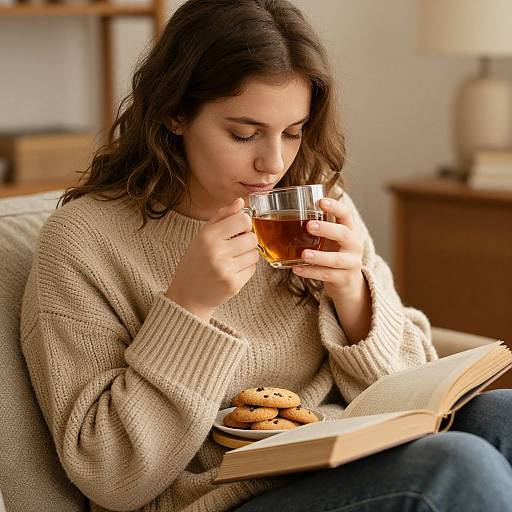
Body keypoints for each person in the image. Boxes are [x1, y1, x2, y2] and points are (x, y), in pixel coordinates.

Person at [20, 1, 512, 511]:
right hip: (221, 498)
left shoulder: (320, 207)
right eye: (244, 133)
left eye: (293, 133)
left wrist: (354, 297)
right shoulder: (84, 242)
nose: (272, 163)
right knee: (457, 465)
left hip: (346, 461)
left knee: (505, 415)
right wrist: (189, 307)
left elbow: (419, 398)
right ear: (174, 112)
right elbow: (110, 475)